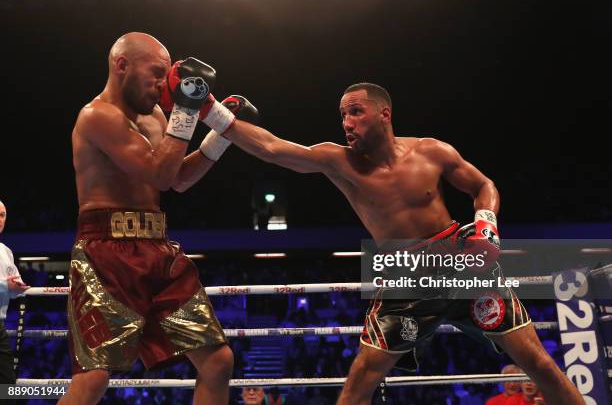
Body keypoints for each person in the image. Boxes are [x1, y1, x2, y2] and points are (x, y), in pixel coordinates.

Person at [192, 83, 585, 405]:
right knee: (361, 379)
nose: (347, 122)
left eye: (356, 111)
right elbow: (272, 148)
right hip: (409, 282)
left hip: (465, 267)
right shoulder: (338, 161)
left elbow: (484, 186)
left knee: (539, 363)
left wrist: (487, 226)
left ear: (384, 113)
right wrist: (208, 108)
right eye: (343, 115)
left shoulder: (431, 151)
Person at [58, 32, 239, 405]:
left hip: (158, 249)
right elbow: (156, 172)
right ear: (122, 65)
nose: (163, 84)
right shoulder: (97, 116)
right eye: (156, 73)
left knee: (218, 362)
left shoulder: (156, 115)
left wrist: (219, 139)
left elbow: (177, 179)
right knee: (93, 379)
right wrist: (188, 112)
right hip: (104, 254)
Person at [0, 200, 30, 390]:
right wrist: (5, 286)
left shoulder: (5, 251)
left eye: (2, 215)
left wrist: (17, 288)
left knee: (7, 385)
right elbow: (6, 286)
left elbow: (14, 287)